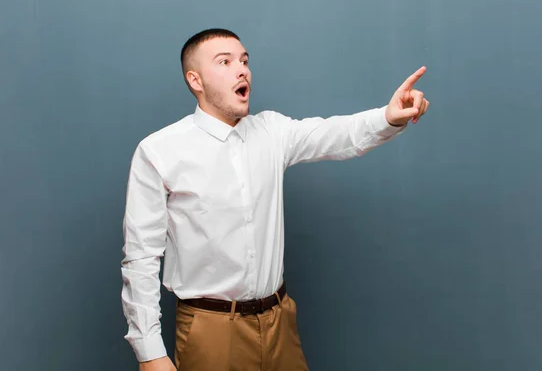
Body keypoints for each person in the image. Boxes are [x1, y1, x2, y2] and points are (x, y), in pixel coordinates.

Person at [120, 28, 430, 371]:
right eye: (225, 62)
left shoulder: (271, 131)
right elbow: (140, 256)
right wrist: (150, 352)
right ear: (195, 80)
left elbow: (335, 135)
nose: (242, 70)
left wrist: (388, 116)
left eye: (244, 60)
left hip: (279, 321)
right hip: (210, 332)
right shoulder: (159, 151)